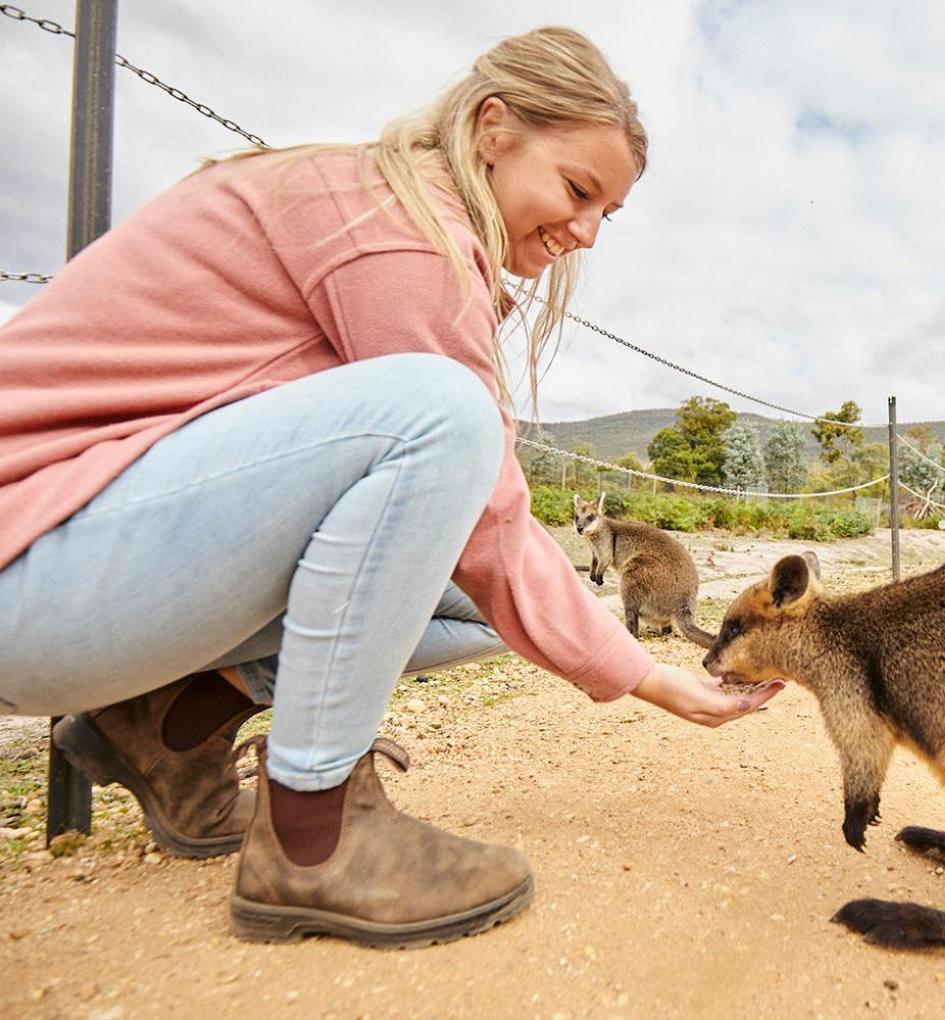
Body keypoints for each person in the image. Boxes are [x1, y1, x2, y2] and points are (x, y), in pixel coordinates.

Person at [0, 26, 781, 948]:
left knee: (492, 593)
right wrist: (650, 680)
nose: (585, 233)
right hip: (34, 566)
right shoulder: (388, 226)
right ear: (493, 128)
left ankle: (160, 723)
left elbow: (477, 547)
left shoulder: (391, 215)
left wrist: (607, 648)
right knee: (438, 413)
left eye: (606, 213)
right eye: (576, 190)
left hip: (98, 567)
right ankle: (315, 834)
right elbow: (487, 510)